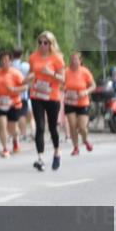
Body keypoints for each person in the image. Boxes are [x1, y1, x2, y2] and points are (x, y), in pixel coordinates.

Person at [25, 31, 66, 172]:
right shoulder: (33, 57)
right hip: (36, 95)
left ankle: (57, 152)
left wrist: (50, 73)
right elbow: (31, 73)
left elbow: (62, 79)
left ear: (51, 44)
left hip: (52, 96)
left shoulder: (57, 58)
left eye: (45, 43)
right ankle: (40, 158)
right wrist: (27, 78)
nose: (42, 45)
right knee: (40, 127)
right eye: (40, 42)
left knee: (53, 127)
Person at [0, 51, 26, 157]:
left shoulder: (16, 73)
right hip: (0, 103)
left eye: (7, 60)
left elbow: (24, 87)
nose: (5, 62)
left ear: (10, 61)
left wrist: (14, 89)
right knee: (2, 125)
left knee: (12, 128)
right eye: (3, 60)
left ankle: (15, 140)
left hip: (13, 103)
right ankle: (5, 148)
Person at [63, 51, 96, 156]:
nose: (74, 61)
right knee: (72, 125)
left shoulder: (85, 72)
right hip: (69, 102)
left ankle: (85, 140)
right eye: (72, 59)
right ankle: (76, 147)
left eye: (76, 59)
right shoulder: (66, 72)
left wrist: (86, 91)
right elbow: (60, 84)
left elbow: (93, 85)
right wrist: (64, 89)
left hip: (82, 103)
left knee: (82, 127)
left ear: (80, 61)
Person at [11, 48, 33, 140]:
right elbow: (31, 75)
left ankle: (14, 134)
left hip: (11, 93)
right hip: (23, 93)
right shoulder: (25, 65)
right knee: (22, 114)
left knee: (12, 115)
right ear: (21, 55)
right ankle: (23, 134)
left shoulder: (10, 65)